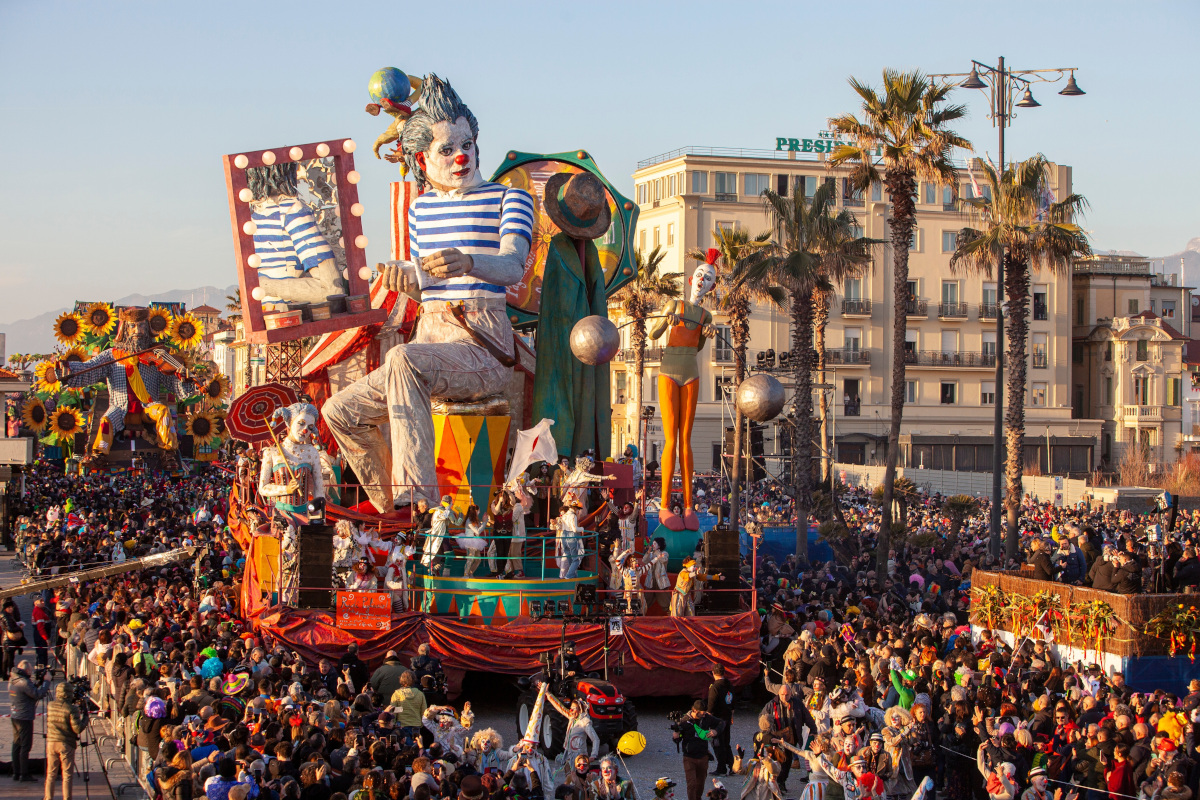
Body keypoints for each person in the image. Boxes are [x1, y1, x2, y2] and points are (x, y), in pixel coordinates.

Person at [323, 74, 535, 514]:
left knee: (402, 358)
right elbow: (426, 283)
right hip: (431, 340)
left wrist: (471, 262)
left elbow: (514, 265)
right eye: (448, 149)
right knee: (338, 411)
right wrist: (406, 279)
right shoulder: (420, 209)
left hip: (483, 346)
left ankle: (417, 498)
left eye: (468, 144)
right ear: (423, 157)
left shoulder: (509, 198)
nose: (462, 156)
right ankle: (391, 511)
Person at [647, 255, 716, 532]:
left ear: (710, 288)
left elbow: (697, 347)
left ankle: (689, 507)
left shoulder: (705, 316)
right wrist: (666, 320)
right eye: (700, 274)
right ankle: (664, 505)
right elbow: (654, 334)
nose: (702, 280)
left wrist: (706, 334)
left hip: (691, 373)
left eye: (708, 278)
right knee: (671, 439)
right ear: (691, 279)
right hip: (669, 371)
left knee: (685, 439)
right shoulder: (673, 304)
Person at [45, 681, 88, 800]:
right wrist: (85, 718)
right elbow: (77, 729)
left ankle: (48, 797)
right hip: (65, 743)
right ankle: (67, 798)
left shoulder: (50, 705)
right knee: (67, 775)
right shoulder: (71, 709)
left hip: (51, 742)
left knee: (51, 774)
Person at [675, 699, 722, 800]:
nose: (704, 715)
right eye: (702, 713)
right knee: (691, 784)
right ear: (695, 711)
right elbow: (677, 739)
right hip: (689, 757)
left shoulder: (706, 718)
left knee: (700, 785)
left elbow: (721, 723)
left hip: (703, 756)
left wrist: (716, 731)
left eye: (705, 712)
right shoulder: (684, 721)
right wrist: (676, 735)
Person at [9, 659, 47, 782]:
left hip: (15, 715)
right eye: (30, 670)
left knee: (17, 744)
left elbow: (29, 692)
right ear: (26, 670)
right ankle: (24, 774)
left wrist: (35, 684)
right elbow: (38, 694)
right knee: (25, 746)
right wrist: (46, 681)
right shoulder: (24, 682)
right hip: (24, 717)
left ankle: (16, 772)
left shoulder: (13, 679)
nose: (31, 673)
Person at [706, 664, 735, 776]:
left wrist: (707, 716)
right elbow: (733, 702)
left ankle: (721, 768)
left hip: (717, 718)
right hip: (727, 716)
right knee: (726, 742)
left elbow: (711, 705)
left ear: (713, 673)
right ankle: (732, 766)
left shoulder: (715, 687)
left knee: (717, 743)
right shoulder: (729, 685)